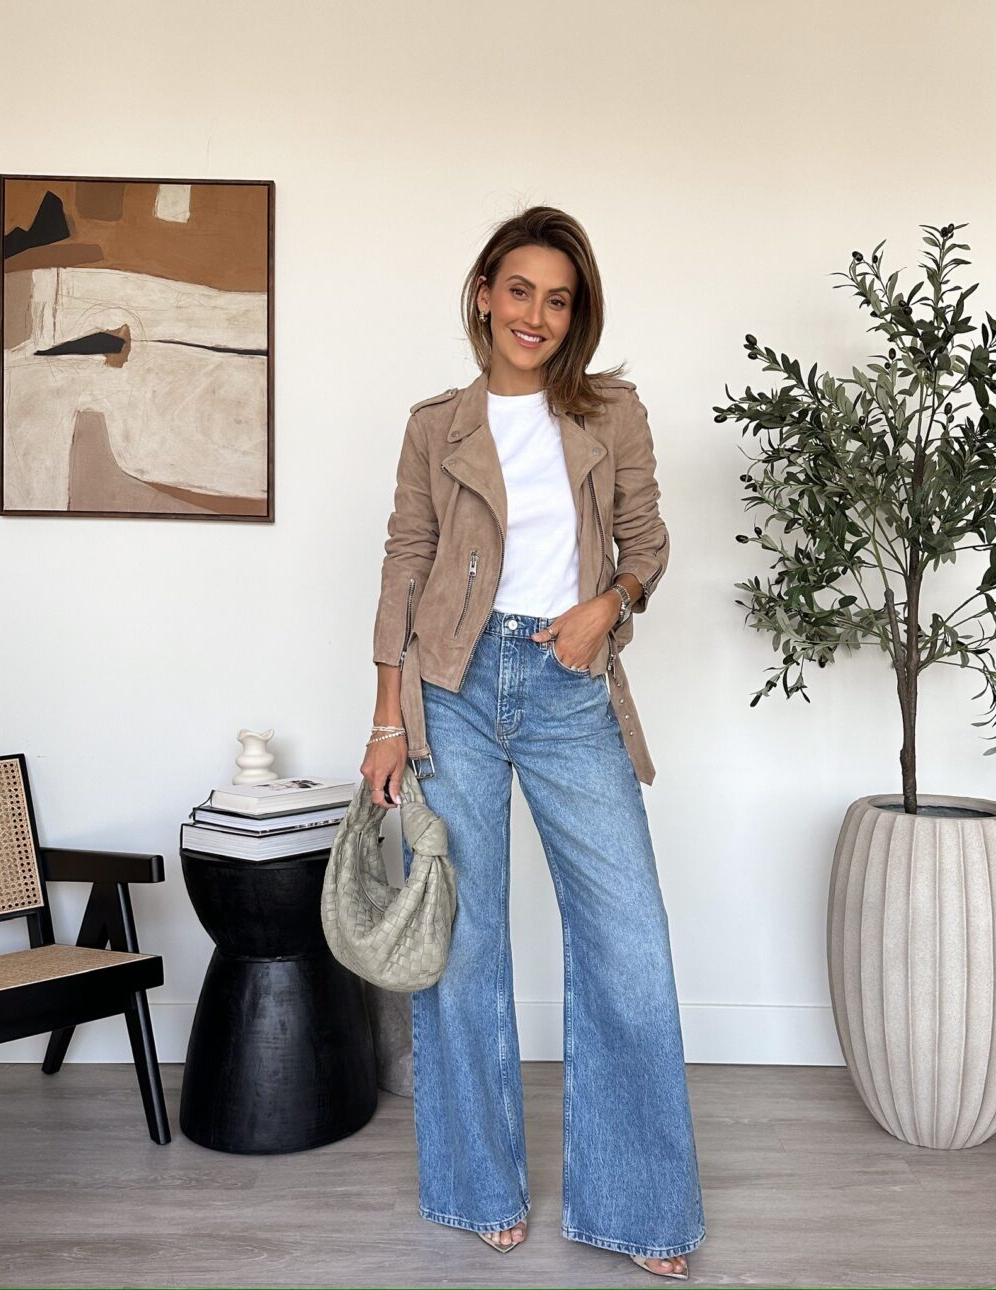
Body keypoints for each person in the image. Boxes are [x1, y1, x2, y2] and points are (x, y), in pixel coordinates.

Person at [362, 206, 705, 1280]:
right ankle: (478, 1184)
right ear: (484, 294)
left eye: (559, 299)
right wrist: (386, 717)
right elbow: (405, 564)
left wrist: (613, 605)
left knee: (630, 945)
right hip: (453, 687)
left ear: (576, 313)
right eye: (521, 291)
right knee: (465, 947)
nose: (537, 316)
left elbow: (645, 543)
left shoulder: (613, 413)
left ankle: (639, 1204)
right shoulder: (436, 425)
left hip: (567, 685)